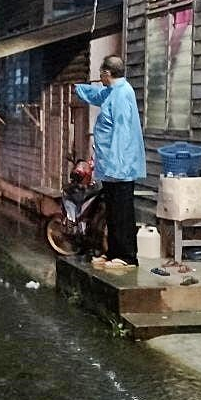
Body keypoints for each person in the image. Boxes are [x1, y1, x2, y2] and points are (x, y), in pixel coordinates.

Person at [74, 55, 146, 268]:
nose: (100, 77)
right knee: (112, 211)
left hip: (120, 165)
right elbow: (98, 94)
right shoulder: (112, 92)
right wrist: (80, 88)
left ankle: (127, 257)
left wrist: (117, 163)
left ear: (107, 73)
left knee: (122, 211)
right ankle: (114, 252)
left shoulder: (123, 94)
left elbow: (123, 131)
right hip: (111, 166)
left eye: (101, 74)